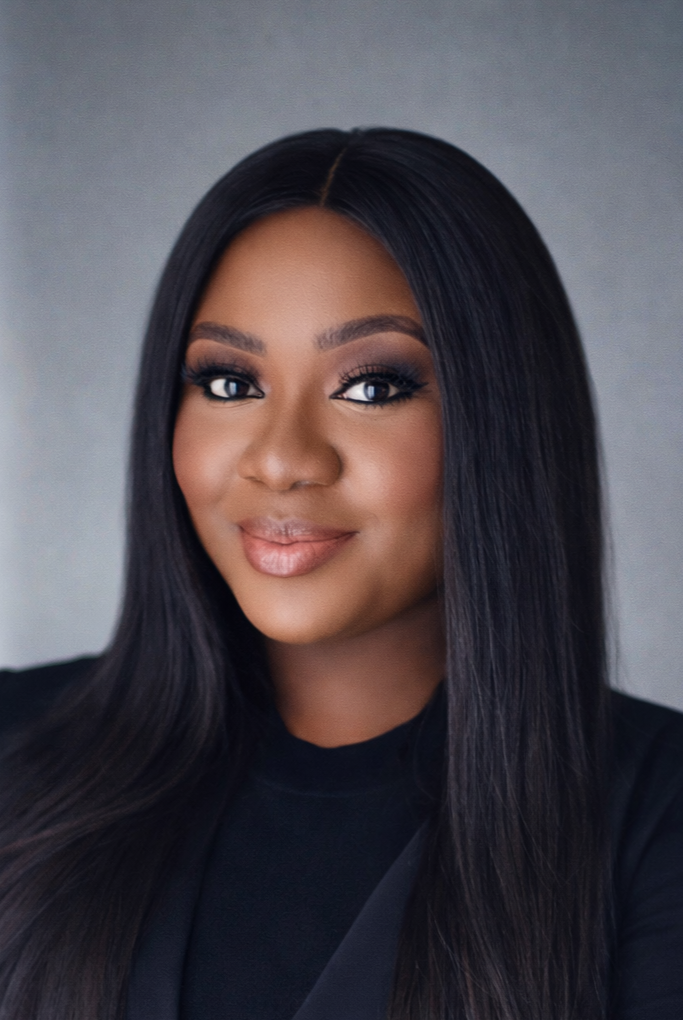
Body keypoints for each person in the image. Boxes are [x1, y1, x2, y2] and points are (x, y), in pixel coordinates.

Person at [0, 128, 681, 1020]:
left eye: (372, 386)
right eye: (229, 383)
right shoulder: (15, 754)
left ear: (502, 418)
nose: (281, 459)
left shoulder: (657, 822)